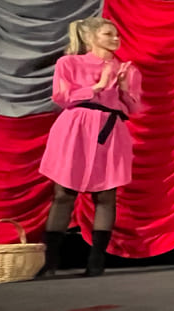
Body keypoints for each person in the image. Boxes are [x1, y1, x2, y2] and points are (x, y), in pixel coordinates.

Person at [38, 17, 142, 278]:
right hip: (76, 128)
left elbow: (134, 108)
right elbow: (61, 97)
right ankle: (50, 262)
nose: (116, 39)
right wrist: (96, 86)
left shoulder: (127, 69)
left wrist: (124, 89)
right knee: (64, 193)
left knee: (106, 196)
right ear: (91, 37)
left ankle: (96, 261)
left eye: (117, 35)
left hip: (109, 130)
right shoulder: (69, 63)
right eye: (108, 34)